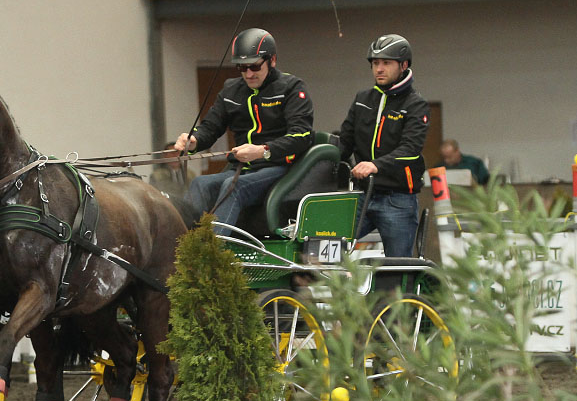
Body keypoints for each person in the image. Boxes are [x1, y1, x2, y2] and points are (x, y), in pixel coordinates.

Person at [173, 28, 314, 233]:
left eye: (255, 66)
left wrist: (263, 150)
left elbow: (302, 135)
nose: (248, 73)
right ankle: (182, 248)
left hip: (279, 167)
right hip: (241, 168)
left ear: (272, 60)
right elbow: (211, 127)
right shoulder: (231, 90)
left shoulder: (291, 88)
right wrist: (193, 141)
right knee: (199, 184)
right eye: (241, 67)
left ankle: (214, 253)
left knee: (233, 187)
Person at [338, 33, 428, 257]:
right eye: (375, 63)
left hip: (398, 200)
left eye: (386, 63)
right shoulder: (362, 99)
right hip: (361, 194)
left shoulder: (415, 105)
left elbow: (411, 150)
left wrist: (374, 165)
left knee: (397, 268)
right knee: (326, 245)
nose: (379, 69)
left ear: (403, 65)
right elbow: (344, 142)